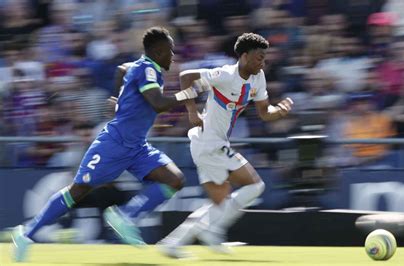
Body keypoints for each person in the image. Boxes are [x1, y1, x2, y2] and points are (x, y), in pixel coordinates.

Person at [11, 26, 204, 262]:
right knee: (77, 191)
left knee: (175, 179)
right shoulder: (146, 69)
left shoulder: (144, 67)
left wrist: (117, 97)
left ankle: (127, 216)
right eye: (170, 51)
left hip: (137, 146)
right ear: (158, 50)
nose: (173, 56)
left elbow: (121, 70)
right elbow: (157, 103)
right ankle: (26, 233)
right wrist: (187, 94)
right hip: (113, 144)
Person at [158, 33, 294, 258]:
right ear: (243, 56)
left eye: (264, 58)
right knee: (255, 186)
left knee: (221, 203)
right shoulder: (224, 74)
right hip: (209, 143)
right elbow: (185, 77)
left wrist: (279, 112)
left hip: (211, 144)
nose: (263, 62)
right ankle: (211, 231)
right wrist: (192, 110)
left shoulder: (258, 78)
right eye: (259, 57)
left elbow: (264, 113)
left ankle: (175, 242)